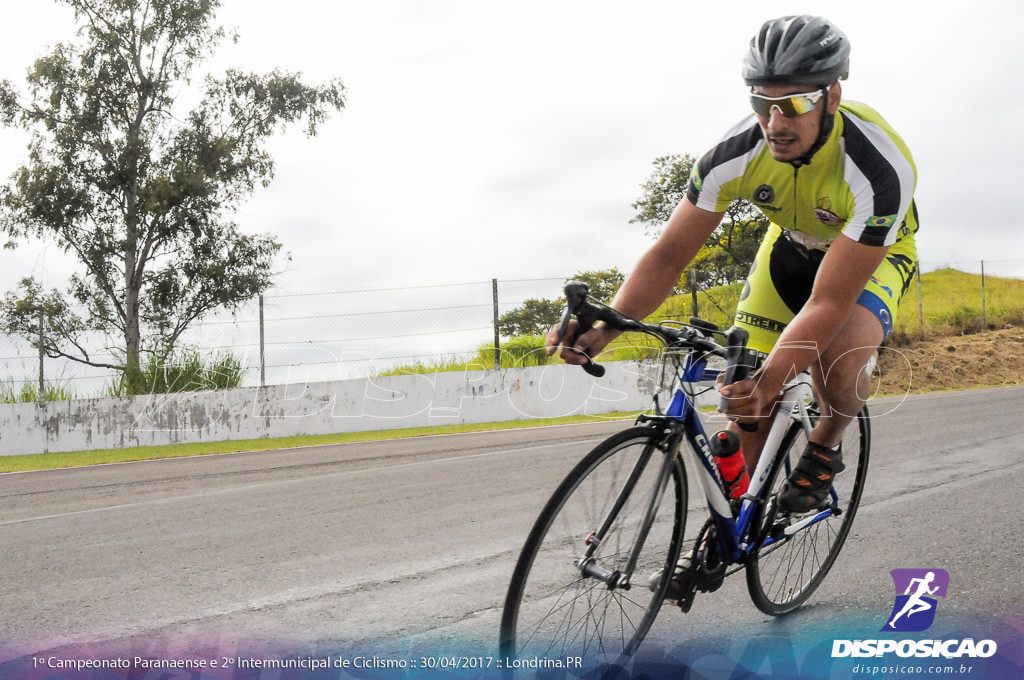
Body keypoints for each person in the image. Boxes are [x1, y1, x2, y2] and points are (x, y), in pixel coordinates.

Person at [549, 15, 918, 514]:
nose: (776, 123)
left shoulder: (879, 169)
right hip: (788, 246)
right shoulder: (734, 154)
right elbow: (668, 256)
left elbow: (829, 300)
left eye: (793, 104)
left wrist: (774, 380)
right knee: (744, 403)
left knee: (836, 358)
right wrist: (610, 325)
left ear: (832, 97)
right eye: (762, 104)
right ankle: (726, 527)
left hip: (871, 255)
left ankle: (829, 436)